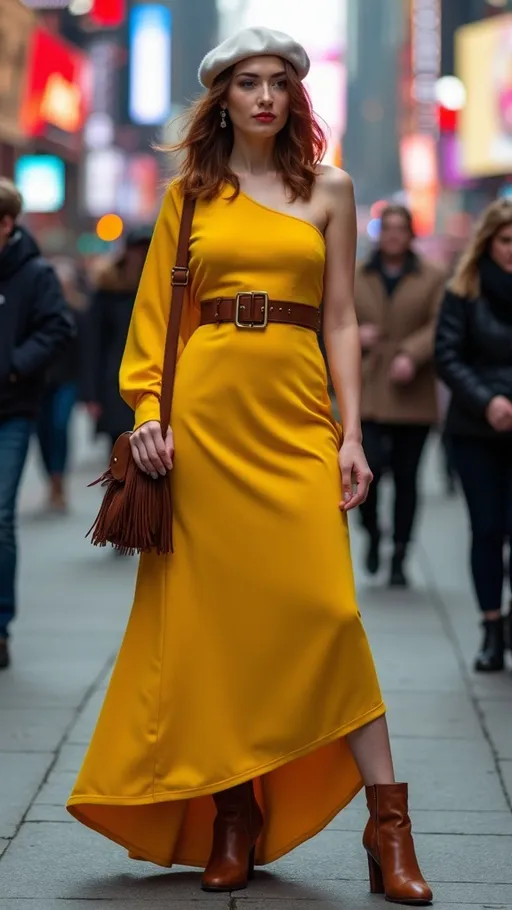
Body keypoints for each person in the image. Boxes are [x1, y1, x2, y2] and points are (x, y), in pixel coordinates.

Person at [67, 28, 431, 905]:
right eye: (246, 84)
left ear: (295, 97)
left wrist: (350, 433)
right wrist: (149, 415)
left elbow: (341, 317)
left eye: (277, 84)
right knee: (213, 628)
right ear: (222, 98)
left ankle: (390, 828)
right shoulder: (190, 196)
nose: (264, 97)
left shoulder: (333, 189)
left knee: (330, 612)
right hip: (206, 427)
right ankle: (235, 819)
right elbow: (153, 322)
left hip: (298, 419)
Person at [435, 199, 512, 673]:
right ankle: (490, 627)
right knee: (486, 529)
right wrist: (489, 401)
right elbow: (448, 355)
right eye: (505, 241)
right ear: (488, 242)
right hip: (476, 430)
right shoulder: (463, 290)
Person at [0, 178, 74, 668]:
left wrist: (14, 364)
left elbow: (58, 328)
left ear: (7, 224)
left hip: (10, 410)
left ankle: (0, 625)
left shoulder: (34, 274)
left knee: (0, 516)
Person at [354, 205, 445, 586]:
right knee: (367, 468)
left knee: (407, 478)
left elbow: (441, 323)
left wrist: (412, 352)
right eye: (386, 228)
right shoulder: (355, 274)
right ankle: (373, 532)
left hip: (411, 393)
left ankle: (401, 552)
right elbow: (334, 314)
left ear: (411, 235)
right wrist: (355, 334)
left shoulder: (433, 277)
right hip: (368, 390)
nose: (393, 235)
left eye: (400, 229)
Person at [84, 226, 152, 451]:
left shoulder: (163, 287)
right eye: (138, 249)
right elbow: (93, 344)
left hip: (153, 378)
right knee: (121, 451)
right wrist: (91, 394)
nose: (141, 255)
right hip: (115, 381)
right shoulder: (108, 289)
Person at [35, 257, 89, 512]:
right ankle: (52, 479)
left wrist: (87, 388)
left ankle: (59, 480)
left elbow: (86, 351)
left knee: (59, 426)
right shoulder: (37, 312)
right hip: (39, 382)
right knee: (43, 433)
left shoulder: (78, 311)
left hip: (67, 381)